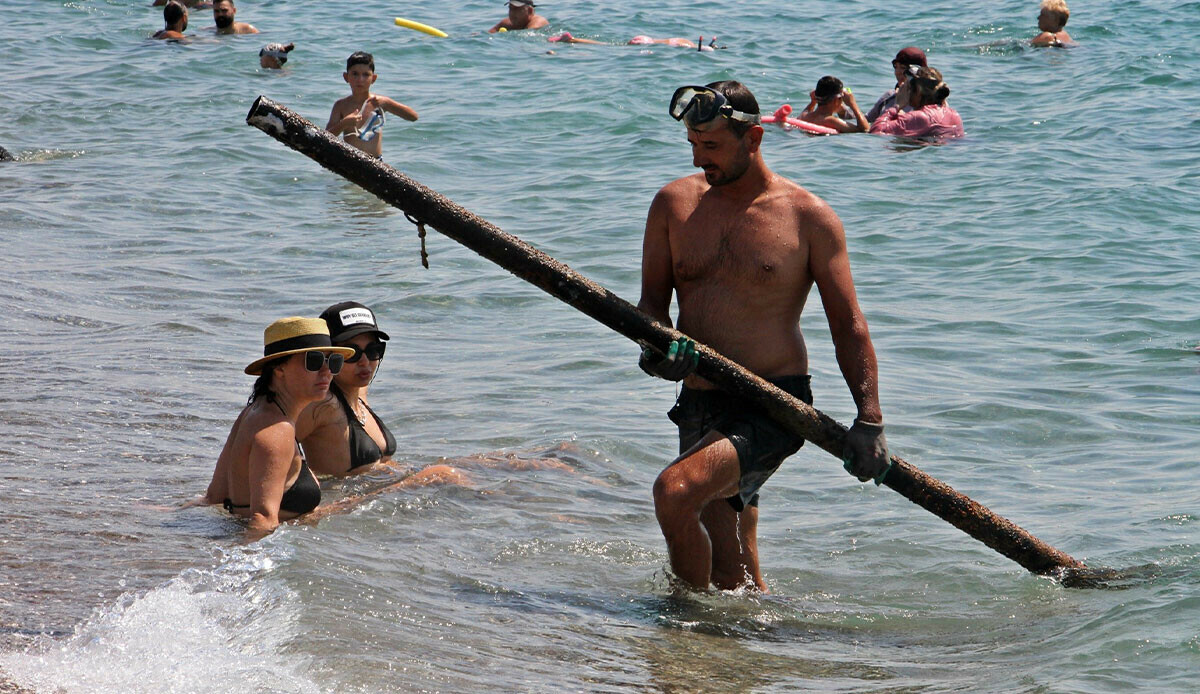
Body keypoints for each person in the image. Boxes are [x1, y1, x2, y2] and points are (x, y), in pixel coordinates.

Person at [638, 81, 890, 592]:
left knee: (675, 491)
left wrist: (869, 419)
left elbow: (849, 325)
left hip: (773, 404)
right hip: (698, 401)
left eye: (711, 146)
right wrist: (656, 351)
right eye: (691, 145)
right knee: (733, 569)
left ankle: (682, 624)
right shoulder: (673, 204)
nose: (699, 158)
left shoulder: (808, 218)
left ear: (753, 139)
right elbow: (651, 310)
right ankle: (745, 654)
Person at [202, 317, 355, 538]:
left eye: (333, 361)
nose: (327, 371)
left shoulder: (254, 411)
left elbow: (215, 496)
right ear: (279, 367)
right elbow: (263, 519)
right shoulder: (278, 430)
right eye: (313, 361)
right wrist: (244, 568)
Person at [295, 301, 473, 487]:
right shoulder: (321, 405)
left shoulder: (357, 395)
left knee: (495, 462)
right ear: (330, 354)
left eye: (373, 351)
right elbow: (269, 447)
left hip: (384, 489)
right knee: (446, 474)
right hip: (350, 502)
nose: (365, 361)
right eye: (352, 353)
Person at [325, 51, 419, 159]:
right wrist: (344, 123)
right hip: (349, 162)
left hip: (376, 162)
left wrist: (388, 103)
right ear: (346, 77)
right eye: (355, 74)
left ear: (373, 79)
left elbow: (413, 117)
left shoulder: (379, 102)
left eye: (366, 75)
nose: (360, 80)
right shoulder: (341, 105)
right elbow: (325, 137)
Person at [869, 66, 964, 140]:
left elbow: (876, 130)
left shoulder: (920, 117)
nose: (907, 92)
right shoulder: (954, 115)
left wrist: (897, 105)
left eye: (909, 88)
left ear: (918, 91)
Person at [865, 46, 927, 123]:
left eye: (903, 68)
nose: (897, 72)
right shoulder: (889, 97)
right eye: (896, 67)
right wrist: (848, 109)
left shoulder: (928, 104)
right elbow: (866, 122)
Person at [799, 76, 868, 133]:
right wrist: (853, 104)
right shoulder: (832, 121)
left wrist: (812, 102)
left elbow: (807, 111)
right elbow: (864, 129)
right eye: (842, 98)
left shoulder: (804, 116)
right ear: (836, 100)